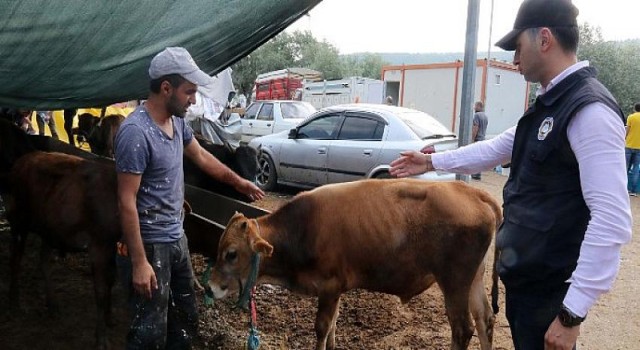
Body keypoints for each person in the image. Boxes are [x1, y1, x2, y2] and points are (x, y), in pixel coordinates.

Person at [390, 1, 632, 349]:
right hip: (528, 291)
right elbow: (495, 148)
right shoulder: (550, 103)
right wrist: (431, 163)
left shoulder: (589, 111)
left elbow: (611, 221)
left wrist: (571, 316)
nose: (515, 59)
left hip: (552, 300)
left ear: (544, 39)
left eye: (518, 48)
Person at [114, 46, 265, 349]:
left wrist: (239, 183)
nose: (194, 99)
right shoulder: (135, 133)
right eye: (189, 92)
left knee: (184, 322)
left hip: (176, 239)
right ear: (166, 88)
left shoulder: (178, 122)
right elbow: (126, 201)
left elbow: (202, 158)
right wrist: (141, 262)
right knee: (148, 332)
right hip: (149, 244)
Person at [471, 101, 489, 180]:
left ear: (479, 107)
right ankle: (478, 174)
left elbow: (476, 127)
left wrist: (472, 138)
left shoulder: (477, 115)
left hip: (478, 138)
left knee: (475, 157)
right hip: (483, 138)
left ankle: (475, 174)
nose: (474, 108)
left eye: (475, 106)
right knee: (480, 157)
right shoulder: (485, 116)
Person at [625, 103, 640, 196]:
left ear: (635, 109)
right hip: (639, 148)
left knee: (625, 167)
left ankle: (624, 188)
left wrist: (624, 138)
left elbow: (627, 130)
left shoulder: (631, 117)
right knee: (635, 168)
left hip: (629, 145)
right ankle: (633, 191)